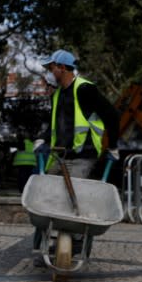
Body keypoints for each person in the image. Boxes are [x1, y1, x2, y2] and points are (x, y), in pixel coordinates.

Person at [32, 49, 120, 264]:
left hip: (83, 155)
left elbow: (111, 115)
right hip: (60, 155)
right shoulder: (58, 94)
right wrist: (43, 139)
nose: (49, 72)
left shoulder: (85, 89)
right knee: (45, 198)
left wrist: (114, 145)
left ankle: (76, 242)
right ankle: (43, 246)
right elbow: (54, 124)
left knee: (76, 200)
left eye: (51, 67)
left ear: (62, 68)